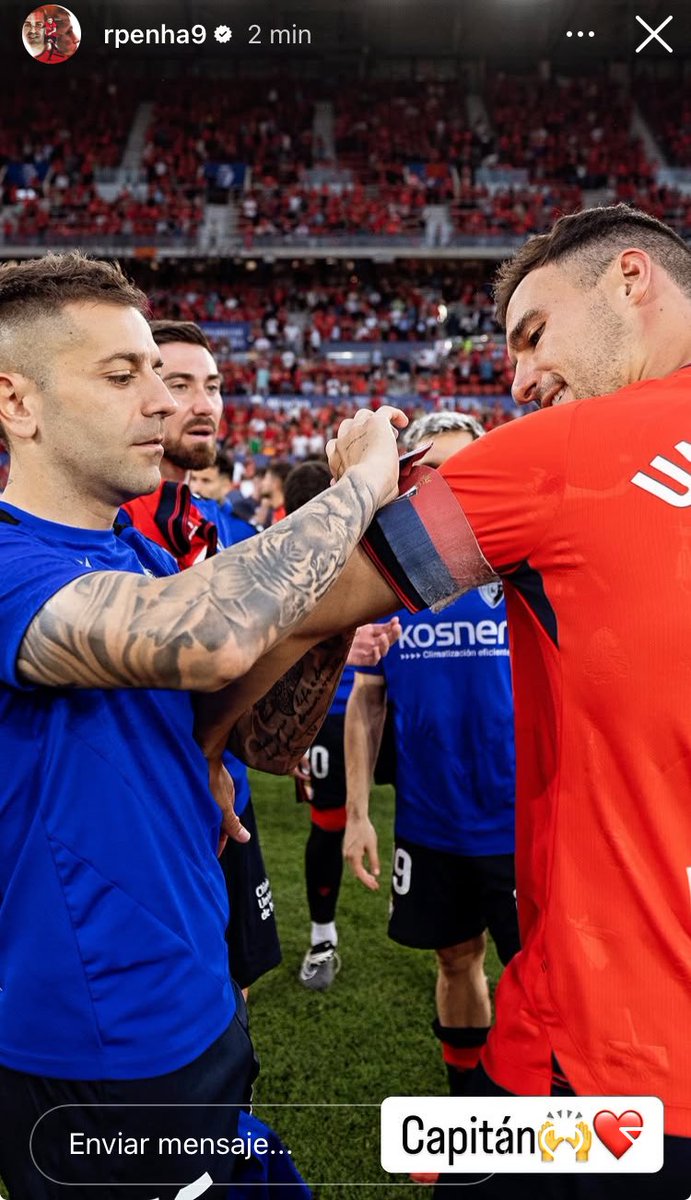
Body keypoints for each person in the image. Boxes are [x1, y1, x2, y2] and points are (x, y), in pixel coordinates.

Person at [223, 205, 691, 1198]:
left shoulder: (569, 452)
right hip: (548, 978)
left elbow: (256, 614)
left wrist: (352, 483)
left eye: (532, 333)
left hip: (611, 1069)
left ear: (630, 280)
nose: (518, 376)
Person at [0, 251, 403, 1198]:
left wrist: (353, 589)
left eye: (160, 371)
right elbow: (217, 636)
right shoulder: (10, 561)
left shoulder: (136, 548)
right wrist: (358, 492)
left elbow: (247, 728)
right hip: (100, 1045)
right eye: (121, 375)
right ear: (16, 404)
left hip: (185, 983)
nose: (162, 402)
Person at [344, 411, 519, 1097]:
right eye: (431, 475)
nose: (448, 490)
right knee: (455, 960)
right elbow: (366, 701)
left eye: (463, 473)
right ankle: (467, 1112)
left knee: (541, 976)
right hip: (431, 823)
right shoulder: (389, 584)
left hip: (523, 825)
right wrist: (357, 813)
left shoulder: (524, 576)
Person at [121, 319, 280, 993]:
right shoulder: (107, 524)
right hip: (144, 813)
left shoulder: (211, 525)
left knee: (234, 995)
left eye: (212, 386)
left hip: (226, 800)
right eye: (179, 383)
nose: (204, 403)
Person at [282, 460, 400, 991]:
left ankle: (423, 895)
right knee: (329, 825)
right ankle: (323, 935)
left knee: (424, 805)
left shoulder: (390, 538)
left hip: (396, 702)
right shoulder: (289, 561)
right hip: (327, 714)